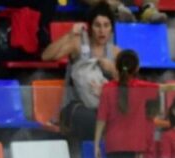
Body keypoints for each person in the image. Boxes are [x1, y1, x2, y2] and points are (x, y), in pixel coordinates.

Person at [42, 4, 121, 142]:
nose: (102, 31)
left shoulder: (116, 53)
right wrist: (69, 34)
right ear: (90, 27)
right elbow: (46, 56)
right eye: (97, 25)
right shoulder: (78, 44)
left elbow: (128, 85)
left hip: (103, 109)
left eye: (106, 25)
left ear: (111, 28)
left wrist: (114, 72)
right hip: (75, 108)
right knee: (94, 119)